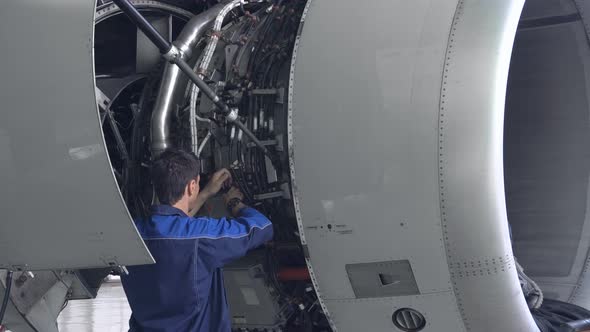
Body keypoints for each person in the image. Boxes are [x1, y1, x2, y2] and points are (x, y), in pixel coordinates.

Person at [121, 149, 273, 332]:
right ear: (191, 186)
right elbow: (262, 227)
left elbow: (173, 230)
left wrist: (205, 193)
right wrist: (234, 203)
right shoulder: (201, 236)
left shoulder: (130, 235)